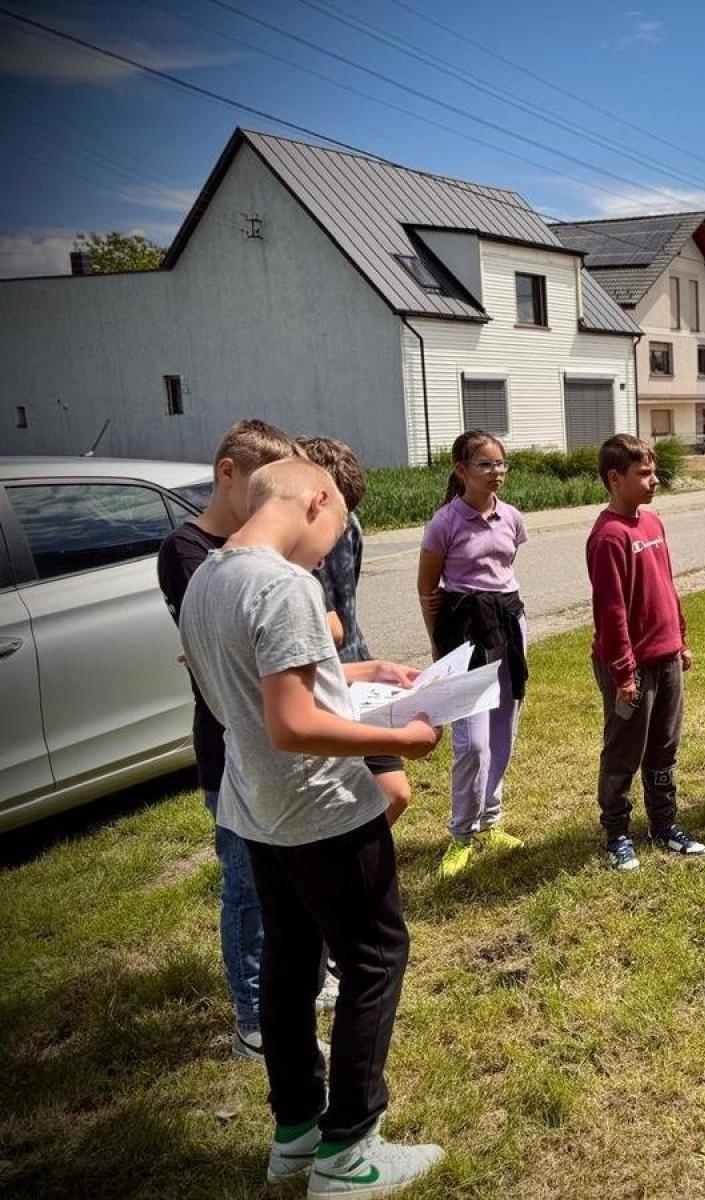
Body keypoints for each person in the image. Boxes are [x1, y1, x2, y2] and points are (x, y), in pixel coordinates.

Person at [177, 458, 444, 1196]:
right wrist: (409, 742)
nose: (328, 553)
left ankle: (295, 1133)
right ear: (316, 499)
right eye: (333, 534)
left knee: (292, 966)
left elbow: (250, 683)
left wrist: (356, 675)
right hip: (321, 807)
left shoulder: (207, 575)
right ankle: (350, 1154)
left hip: (256, 808)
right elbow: (294, 723)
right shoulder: (285, 584)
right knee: (375, 958)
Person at [156, 418, 301, 1061]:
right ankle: (251, 1016)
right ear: (228, 473)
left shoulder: (256, 549)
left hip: (272, 740)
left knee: (286, 877)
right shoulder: (187, 552)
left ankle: (288, 983)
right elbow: (239, 638)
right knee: (244, 882)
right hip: (227, 743)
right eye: (263, 489)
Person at [585, 433, 705, 870]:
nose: (655, 480)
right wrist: (623, 673)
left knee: (664, 747)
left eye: (654, 471)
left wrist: (681, 639)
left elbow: (667, 587)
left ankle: (664, 824)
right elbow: (611, 612)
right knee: (623, 752)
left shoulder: (652, 524)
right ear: (615, 478)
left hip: (667, 658)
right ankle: (617, 832)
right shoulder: (608, 538)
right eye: (645, 473)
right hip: (630, 670)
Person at [417, 430, 528, 878]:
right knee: (473, 743)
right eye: (485, 464)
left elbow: (505, 571)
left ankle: (491, 820)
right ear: (461, 470)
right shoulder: (444, 523)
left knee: (504, 731)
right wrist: (439, 648)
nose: (496, 472)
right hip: (464, 632)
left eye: (501, 464)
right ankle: (461, 833)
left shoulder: (513, 518)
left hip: (508, 624)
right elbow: (428, 590)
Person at [298, 435, 412, 828]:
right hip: (316, 684)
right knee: (338, 801)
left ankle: (359, 863)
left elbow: (344, 614)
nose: (339, 525)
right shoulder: (279, 556)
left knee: (396, 793)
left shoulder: (350, 528)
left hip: (356, 672)